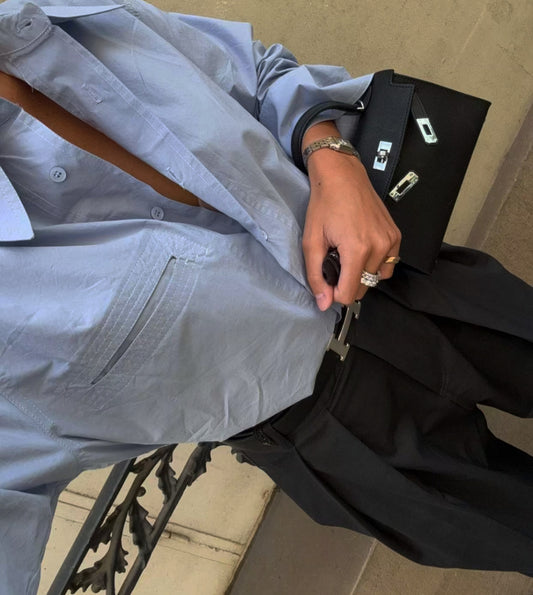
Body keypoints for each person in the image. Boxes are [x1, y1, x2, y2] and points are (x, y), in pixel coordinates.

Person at [0, 0, 531, 592]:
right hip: (331, 433)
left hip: (402, 281)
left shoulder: (40, 19)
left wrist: (332, 157)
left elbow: (258, 72)